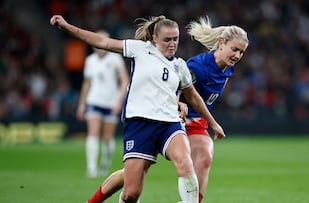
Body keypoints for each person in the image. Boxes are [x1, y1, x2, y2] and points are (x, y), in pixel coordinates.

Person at [50, 15, 225, 203]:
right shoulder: (140, 49)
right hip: (140, 124)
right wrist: (67, 27)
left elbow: (194, 98)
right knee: (131, 194)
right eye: (167, 39)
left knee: (185, 163)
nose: (172, 44)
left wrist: (213, 123)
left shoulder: (179, 65)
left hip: (170, 124)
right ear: (154, 38)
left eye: (175, 39)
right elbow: (102, 41)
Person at [86, 16, 249, 203]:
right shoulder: (198, 65)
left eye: (241, 52)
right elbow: (176, 84)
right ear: (221, 43)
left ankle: (193, 201)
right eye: (235, 49)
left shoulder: (227, 69)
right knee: (132, 176)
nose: (237, 55)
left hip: (196, 121)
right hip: (173, 118)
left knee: (204, 157)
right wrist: (178, 102)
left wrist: (210, 122)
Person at [76, 30, 129, 178]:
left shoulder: (115, 59)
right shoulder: (90, 61)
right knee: (92, 134)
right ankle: (91, 168)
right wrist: (82, 104)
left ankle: (104, 164)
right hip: (94, 101)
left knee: (107, 137)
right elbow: (87, 83)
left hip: (110, 102)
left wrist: (119, 100)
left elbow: (124, 80)